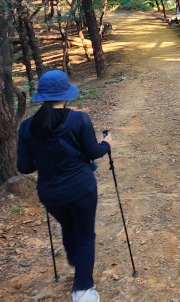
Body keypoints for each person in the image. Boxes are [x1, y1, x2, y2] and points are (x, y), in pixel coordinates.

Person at [17, 70, 111, 302]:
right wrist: (107, 144)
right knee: (85, 234)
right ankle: (82, 290)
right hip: (82, 189)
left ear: (42, 97)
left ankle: (75, 262)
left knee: (69, 227)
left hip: (51, 194)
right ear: (66, 94)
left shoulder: (27, 127)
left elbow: (25, 167)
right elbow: (93, 152)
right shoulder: (79, 119)